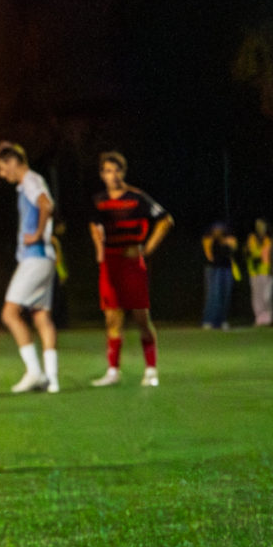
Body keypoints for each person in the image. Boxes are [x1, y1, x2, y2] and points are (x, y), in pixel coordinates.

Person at [86, 151, 171, 387]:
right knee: (112, 318)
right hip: (110, 265)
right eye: (107, 171)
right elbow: (95, 226)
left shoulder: (137, 197)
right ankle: (113, 371)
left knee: (141, 318)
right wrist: (98, 248)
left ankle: (151, 370)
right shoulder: (99, 201)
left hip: (132, 263)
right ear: (102, 174)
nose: (112, 176)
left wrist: (145, 249)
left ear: (123, 172)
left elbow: (165, 220)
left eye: (116, 170)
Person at [0, 142, 61, 392]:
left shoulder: (31, 181)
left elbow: (46, 205)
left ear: (13, 163)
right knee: (41, 317)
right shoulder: (31, 182)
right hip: (45, 258)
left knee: (9, 314)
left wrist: (38, 233)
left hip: (35, 257)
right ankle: (51, 379)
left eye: (2, 168)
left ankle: (34, 372)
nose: (2, 174)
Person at [199, 221, 237, 330]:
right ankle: (208, 320)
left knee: (225, 295)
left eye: (220, 229)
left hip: (226, 268)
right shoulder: (208, 238)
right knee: (213, 295)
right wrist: (216, 241)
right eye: (216, 229)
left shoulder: (229, 238)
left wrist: (225, 241)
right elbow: (209, 255)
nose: (218, 232)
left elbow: (233, 248)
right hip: (212, 269)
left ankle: (222, 321)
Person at [244, 218, 273, 326]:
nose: (259, 227)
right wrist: (247, 253)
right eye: (257, 225)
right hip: (254, 272)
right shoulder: (251, 238)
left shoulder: (270, 239)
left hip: (267, 271)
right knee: (256, 296)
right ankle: (259, 318)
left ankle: (268, 318)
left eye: (262, 225)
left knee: (267, 296)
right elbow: (246, 253)